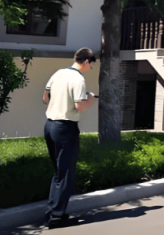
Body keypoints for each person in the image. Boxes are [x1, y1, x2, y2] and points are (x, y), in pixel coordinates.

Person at [42, 47, 98, 229]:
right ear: (86, 62)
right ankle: (56, 218)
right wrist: (92, 99)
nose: (90, 68)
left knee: (59, 172)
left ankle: (52, 212)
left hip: (50, 125)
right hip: (65, 127)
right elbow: (79, 106)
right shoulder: (78, 79)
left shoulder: (58, 73)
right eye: (91, 65)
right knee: (66, 173)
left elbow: (45, 99)